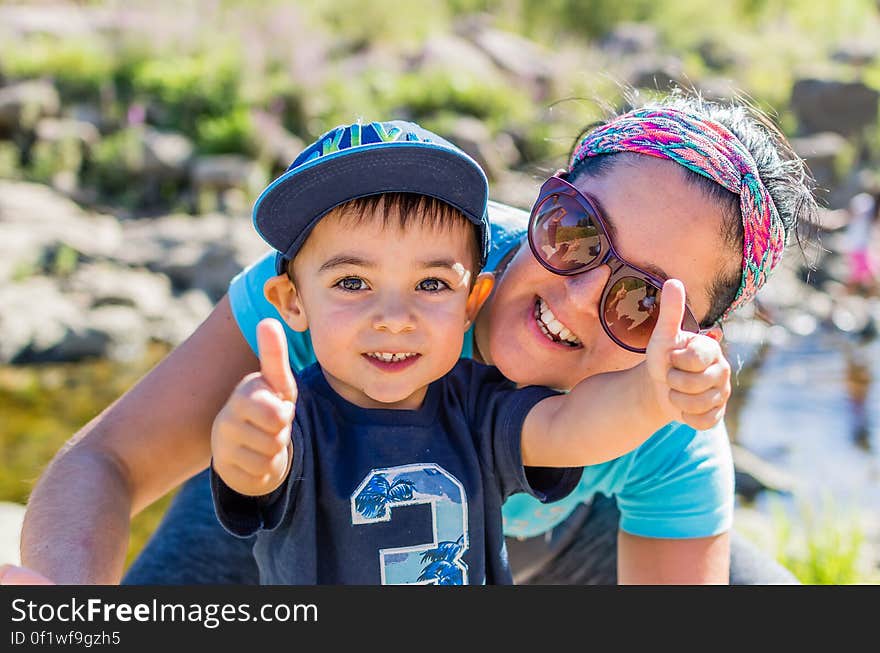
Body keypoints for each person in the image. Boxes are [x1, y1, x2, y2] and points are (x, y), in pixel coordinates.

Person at [5, 90, 816, 586]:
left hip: (562, 551)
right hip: (298, 500)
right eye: (576, 230)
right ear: (547, 196)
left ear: (692, 336)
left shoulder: (666, 423)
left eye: (640, 301)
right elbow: (106, 461)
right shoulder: (369, 278)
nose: (575, 295)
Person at [208, 120, 728, 584]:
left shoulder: (479, 411)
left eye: (431, 285)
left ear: (469, 303)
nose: (393, 317)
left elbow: (571, 428)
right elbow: (258, 477)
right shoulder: (295, 419)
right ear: (290, 303)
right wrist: (248, 445)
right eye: (351, 281)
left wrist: (653, 393)